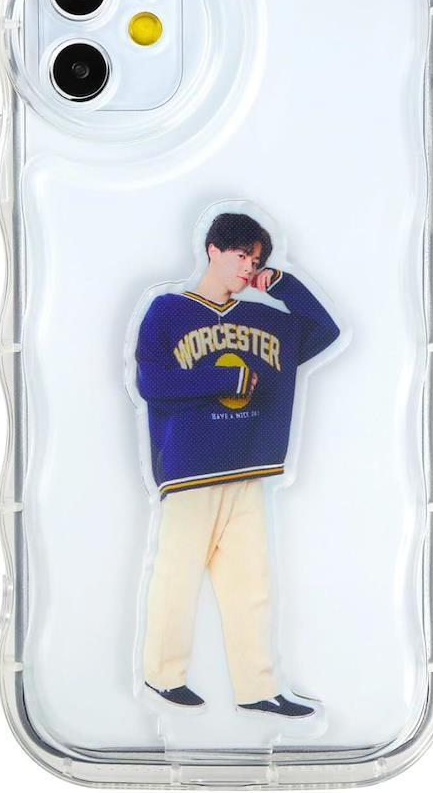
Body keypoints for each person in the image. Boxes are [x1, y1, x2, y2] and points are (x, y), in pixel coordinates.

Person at [135, 212, 340, 716]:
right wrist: (224, 380)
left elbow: (325, 331)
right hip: (189, 471)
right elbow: (152, 383)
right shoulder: (168, 310)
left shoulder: (264, 318)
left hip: (248, 468)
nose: (250, 265)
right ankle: (162, 676)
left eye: (257, 258)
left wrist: (283, 285)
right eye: (242, 253)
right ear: (213, 249)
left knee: (251, 586)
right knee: (177, 577)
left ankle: (258, 689)